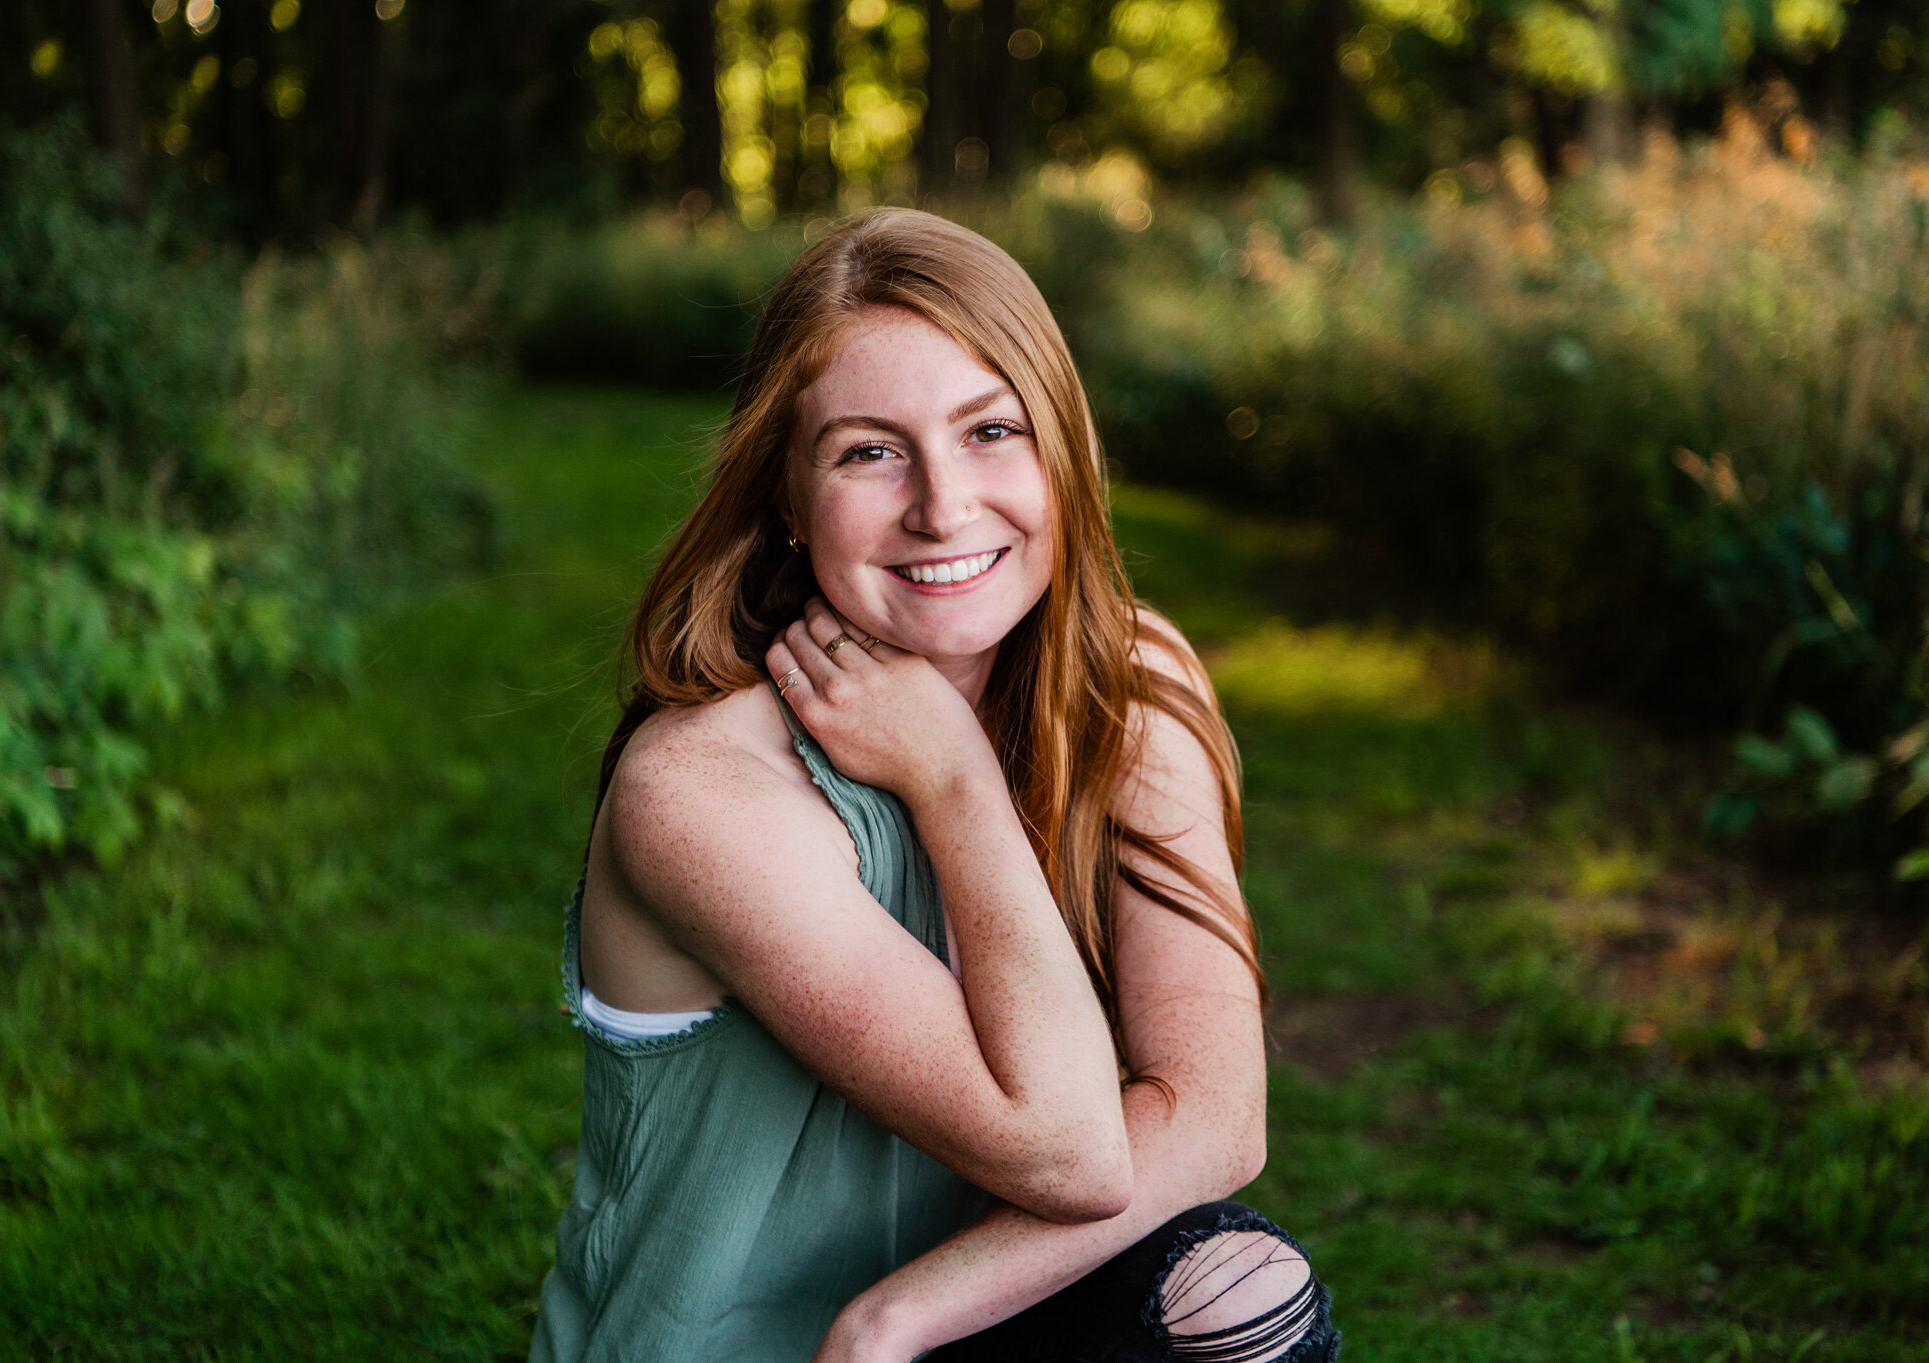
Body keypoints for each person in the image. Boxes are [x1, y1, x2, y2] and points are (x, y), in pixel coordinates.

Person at [529, 208, 1340, 1363]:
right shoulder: (704, 791)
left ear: (1062, 449)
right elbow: (1069, 1148)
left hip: (926, 1333)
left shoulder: (1128, 685)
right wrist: (955, 780)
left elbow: (1215, 1117)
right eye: (869, 450)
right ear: (785, 499)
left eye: (990, 431)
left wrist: (893, 1321)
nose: (942, 503)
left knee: (1238, 1292)